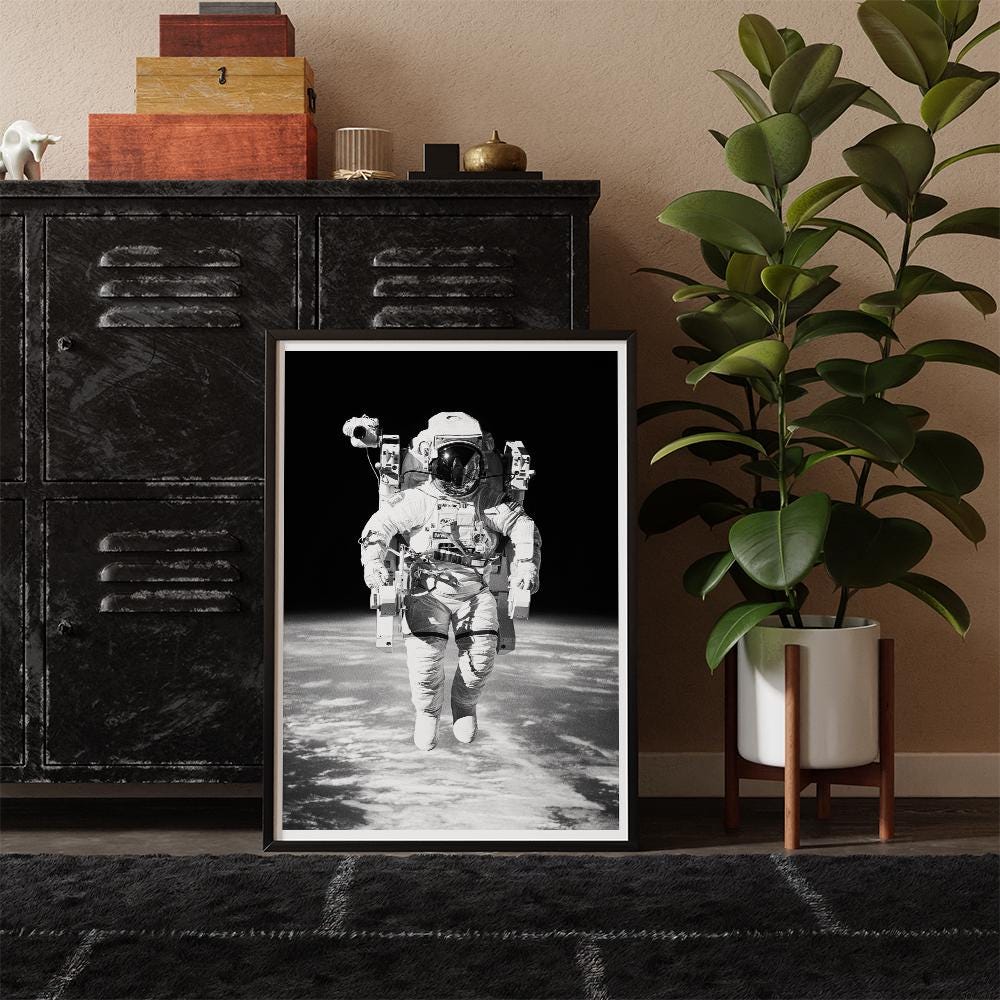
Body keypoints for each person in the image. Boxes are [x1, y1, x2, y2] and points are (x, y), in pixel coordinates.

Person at [359, 413, 541, 751]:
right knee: (426, 665)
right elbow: (379, 527)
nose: (459, 481)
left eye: (467, 472)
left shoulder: (488, 500)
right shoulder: (418, 499)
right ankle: (428, 713)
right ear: (434, 467)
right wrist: (373, 565)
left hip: (475, 591)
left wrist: (526, 568)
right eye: (452, 472)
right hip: (427, 590)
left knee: (481, 660)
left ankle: (464, 706)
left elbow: (523, 526)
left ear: (478, 468)